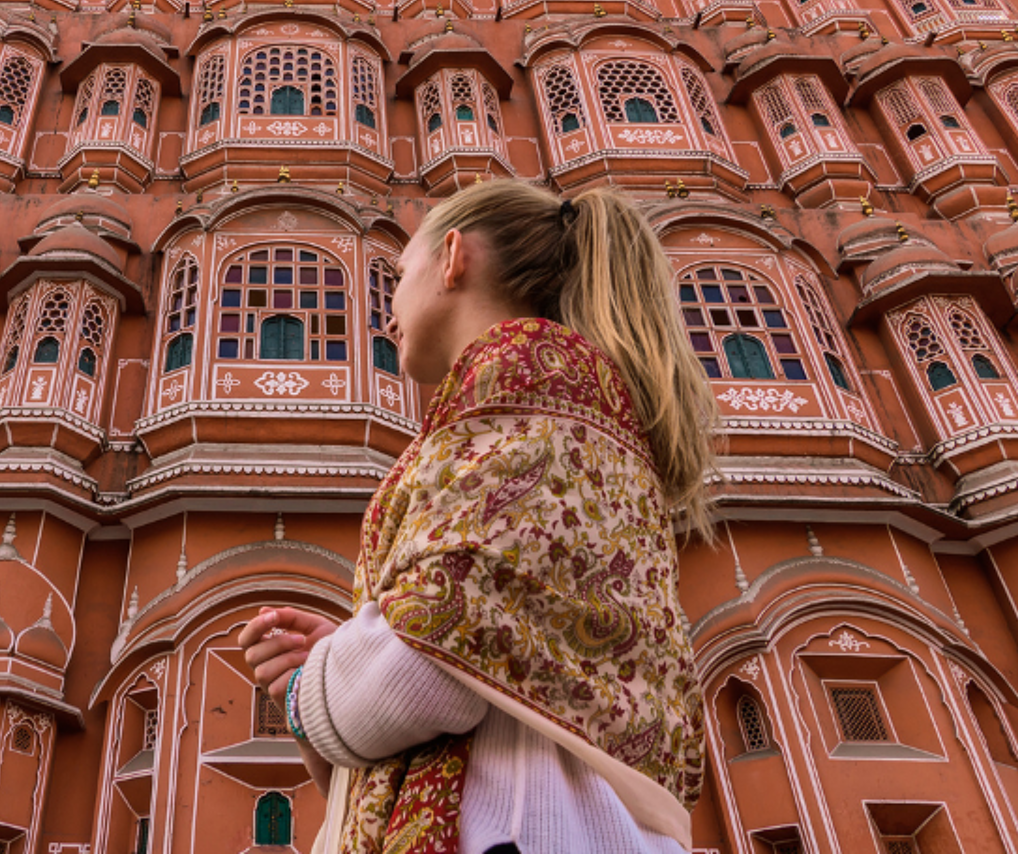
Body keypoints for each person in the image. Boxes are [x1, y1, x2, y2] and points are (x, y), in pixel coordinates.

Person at [237, 180, 715, 854]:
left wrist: (306, 689)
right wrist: (351, 646)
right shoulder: (566, 400)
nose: (387, 313)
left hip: (521, 826)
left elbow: (428, 666)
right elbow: (474, 624)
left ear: (454, 256)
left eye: (397, 277)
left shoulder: (527, 387)